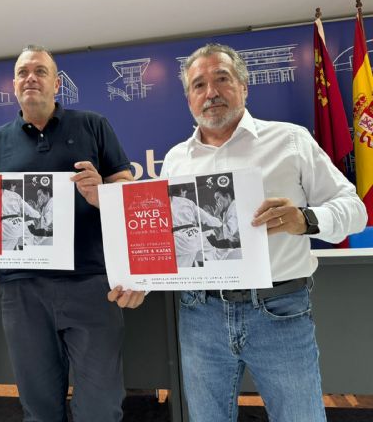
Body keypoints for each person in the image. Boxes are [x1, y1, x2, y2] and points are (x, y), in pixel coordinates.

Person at [0, 45, 141, 421]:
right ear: (13, 85)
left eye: (40, 71)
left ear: (56, 84)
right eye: (23, 72)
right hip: (21, 288)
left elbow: (127, 188)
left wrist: (102, 190)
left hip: (91, 282)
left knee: (101, 404)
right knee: (38, 405)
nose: (31, 78)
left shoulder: (93, 125)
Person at [156, 43, 366, 421]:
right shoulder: (175, 160)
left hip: (278, 309)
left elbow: (356, 210)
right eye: (199, 85)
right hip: (200, 313)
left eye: (222, 79)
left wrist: (305, 219)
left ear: (244, 86)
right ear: (189, 99)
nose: (211, 92)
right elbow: (166, 240)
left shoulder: (290, 140)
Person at [168, 185, 222, 267]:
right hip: (195, 235)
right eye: (185, 193)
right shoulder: (187, 202)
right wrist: (219, 221)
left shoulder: (162, 203)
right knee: (215, 255)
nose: (185, 195)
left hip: (178, 240)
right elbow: (208, 219)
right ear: (182, 191)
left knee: (182, 266)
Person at [2, 180, 40, 250]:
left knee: (7, 246)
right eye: (14, 186)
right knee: (29, 239)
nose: (14, 188)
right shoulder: (15, 195)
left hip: (5, 227)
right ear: (11, 185)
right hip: (19, 223)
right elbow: (28, 209)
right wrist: (38, 215)